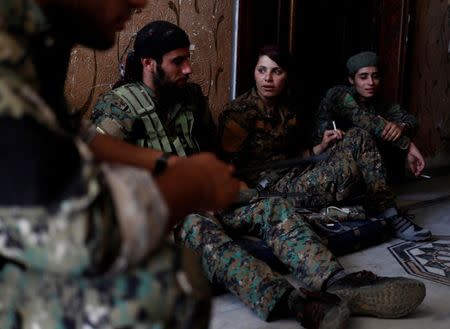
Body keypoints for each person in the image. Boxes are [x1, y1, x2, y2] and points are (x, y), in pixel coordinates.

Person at [93, 25, 426, 329]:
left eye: (188, 60)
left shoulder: (191, 98)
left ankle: (338, 282)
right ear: (150, 63)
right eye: (178, 62)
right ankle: (294, 302)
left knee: (272, 208)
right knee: (199, 227)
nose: (189, 69)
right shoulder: (119, 107)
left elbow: (212, 151)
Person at [0, 1, 241, 328]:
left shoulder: (38, 37)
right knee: (163, 285)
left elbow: (76, 134)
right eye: (177, 61)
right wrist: (194, 185)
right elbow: (81, 238)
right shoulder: (7, 50)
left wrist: (169, 164)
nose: (140, 3)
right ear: (149, 63)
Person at [219, 45, 431, 243]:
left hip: (297, 174)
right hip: (269, 191)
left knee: (358, 136)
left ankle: (389, 213)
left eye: (276, 71)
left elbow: (296, 155)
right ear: (254, 72)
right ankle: (366, 208)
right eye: (261, 70)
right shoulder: (239, 113)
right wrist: (256, 202)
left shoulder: (287, 107)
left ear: (286, 75)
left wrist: (320, 146)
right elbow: (228, 171)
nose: (267, 78)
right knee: (349, 171)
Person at [314, 51, 425, 184]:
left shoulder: (380, 101)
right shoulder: (338, 94)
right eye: (363, 77)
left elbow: (411, 120)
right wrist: (408, 145)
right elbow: (364, 120)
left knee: (387, 128)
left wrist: (401, 127)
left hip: (362, 163)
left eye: (375, 76)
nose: (371, 82)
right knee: (361, 133)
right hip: (326, 160)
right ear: (351, 79)